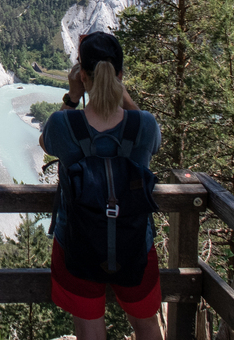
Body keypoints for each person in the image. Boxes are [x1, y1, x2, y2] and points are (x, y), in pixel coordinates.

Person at [39, 31, 164, 340]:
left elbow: (45, 143)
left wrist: (71, 96)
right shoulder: (144, 126)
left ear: (82, 76)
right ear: (120, 75)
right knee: (147, 326)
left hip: (77, 245)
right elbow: (154, 140)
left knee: (90, 330)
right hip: (135, 244)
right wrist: (122, 95)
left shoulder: (63, 125)